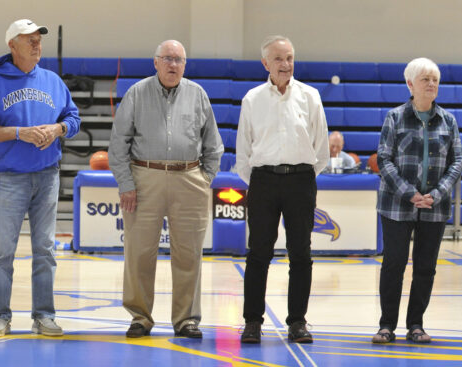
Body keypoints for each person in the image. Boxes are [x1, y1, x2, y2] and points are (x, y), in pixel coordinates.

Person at [0, 18, 80, 338]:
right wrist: (20, 133)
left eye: (38, 39)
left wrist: (56, 129)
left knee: (45, 249)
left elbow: (73, 118)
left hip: (48, 175)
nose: (36, 44)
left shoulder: (53, 81)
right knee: (4, 251)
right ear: (11, 45)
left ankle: (44, 315)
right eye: (28, 39)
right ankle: (0, 316)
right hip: (11, 178)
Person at [108, 40, 223, 339]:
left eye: (179, 60)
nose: (173, 65)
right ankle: (140, 317)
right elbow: (118, 143)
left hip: (190, 179)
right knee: (139, 252)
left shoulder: (198, 94)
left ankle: (186, 320)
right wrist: (126, 183)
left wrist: (204, 179)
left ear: (185, 65)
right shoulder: (136, 93)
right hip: (145, 178)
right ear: (156, 62)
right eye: (168, 59)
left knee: (189, 254)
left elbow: (213, 144)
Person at [235, 35, 329, 344]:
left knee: (300, 253)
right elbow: (243, 152)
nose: (285, 64)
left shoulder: (311, 96)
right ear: (265, 63)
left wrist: (300, 176)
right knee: (258, 254)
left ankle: (297, 322)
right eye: (278, 59)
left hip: (301, 180)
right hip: (262, 180)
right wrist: (263, 180)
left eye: (289, 58)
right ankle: (252, 322)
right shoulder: (252, 99)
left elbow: (322, 149)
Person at [372, 57, 462, 344]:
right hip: (397, 206)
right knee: (393, 265)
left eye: (435, 79)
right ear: (410, 84)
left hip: (434, 209)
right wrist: (409, 192)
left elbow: (456, 162)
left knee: (425, 267)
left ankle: (416, 324)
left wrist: (436, 195)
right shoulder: (395, 117)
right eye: (425, 79)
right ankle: (387, 325)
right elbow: (384, 160)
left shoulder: (448, 120)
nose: (432, 84)